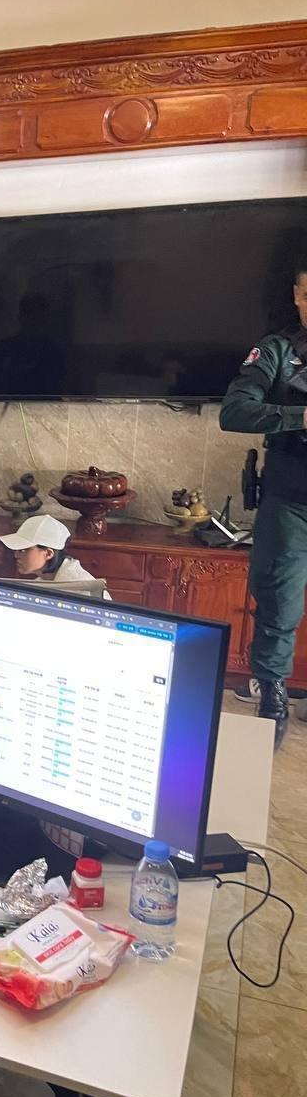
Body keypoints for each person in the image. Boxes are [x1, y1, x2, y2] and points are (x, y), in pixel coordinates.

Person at [219, 258, 307, 748]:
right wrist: (301, 417)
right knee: (278, 600)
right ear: (296, 296)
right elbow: (234, 411)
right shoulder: (276, 351)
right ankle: (271, 695)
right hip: (291, 500)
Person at [0, 513, 100, 585]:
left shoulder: (78, 588)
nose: (16, 555)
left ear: (48, 553)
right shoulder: (44, 581)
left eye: (23, 550)